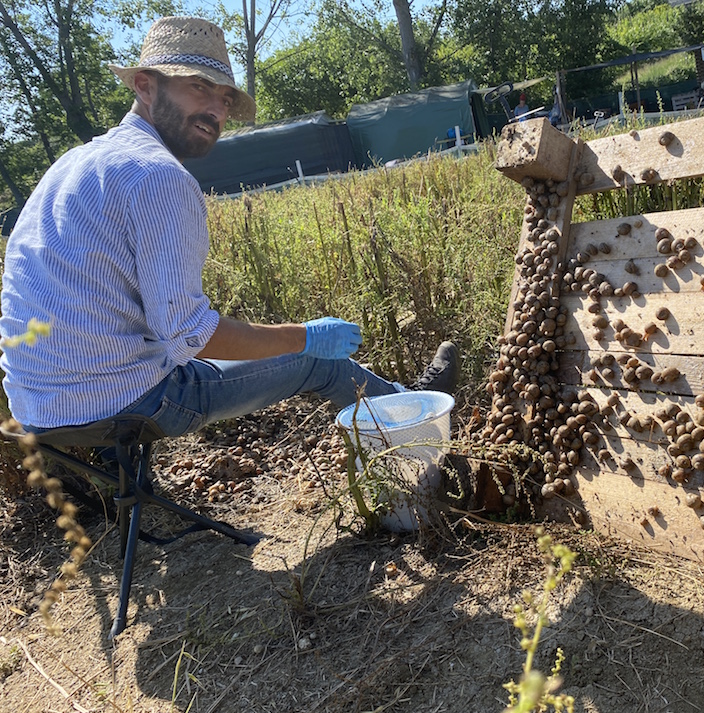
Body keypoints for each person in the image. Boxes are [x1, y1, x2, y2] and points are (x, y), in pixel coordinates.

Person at [0, 16, 458, 439]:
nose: (215, 111)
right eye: (199, 87)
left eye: (224, 99)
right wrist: (304, 335)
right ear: (144, 85)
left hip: (38, 405)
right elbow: (188, 337)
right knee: (321, 362)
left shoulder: (74, 162)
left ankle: (400, 397)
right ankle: (414, 421)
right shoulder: (156, 174)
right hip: (123, 401)